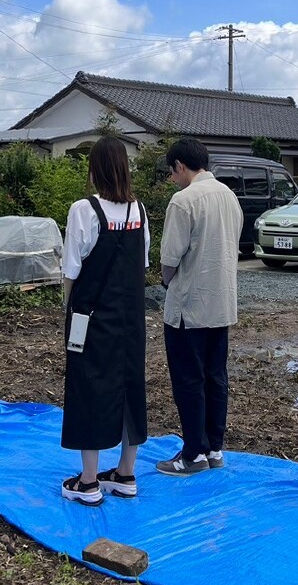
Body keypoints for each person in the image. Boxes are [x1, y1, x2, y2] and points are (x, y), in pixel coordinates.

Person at [60, 137, 150, 506]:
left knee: (89, 388)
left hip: (91, 318)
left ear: (95, 170)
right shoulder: (139, 212)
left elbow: (71, 270)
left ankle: (88, 481)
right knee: (130, 385)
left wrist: (67, 313)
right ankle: (126, 472)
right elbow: (141, 267)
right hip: (131, 318)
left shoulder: (84, 209)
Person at [157, 137, 243, 475]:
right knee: (215, 376)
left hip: (189, 306)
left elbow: (169, 260)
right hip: (220, 302)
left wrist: (167, 281)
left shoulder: (183, 200)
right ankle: (214, 447)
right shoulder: (228, 195)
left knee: (189, 379)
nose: (173, 179)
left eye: (172, 172)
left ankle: (193, 452)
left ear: (180, 165)